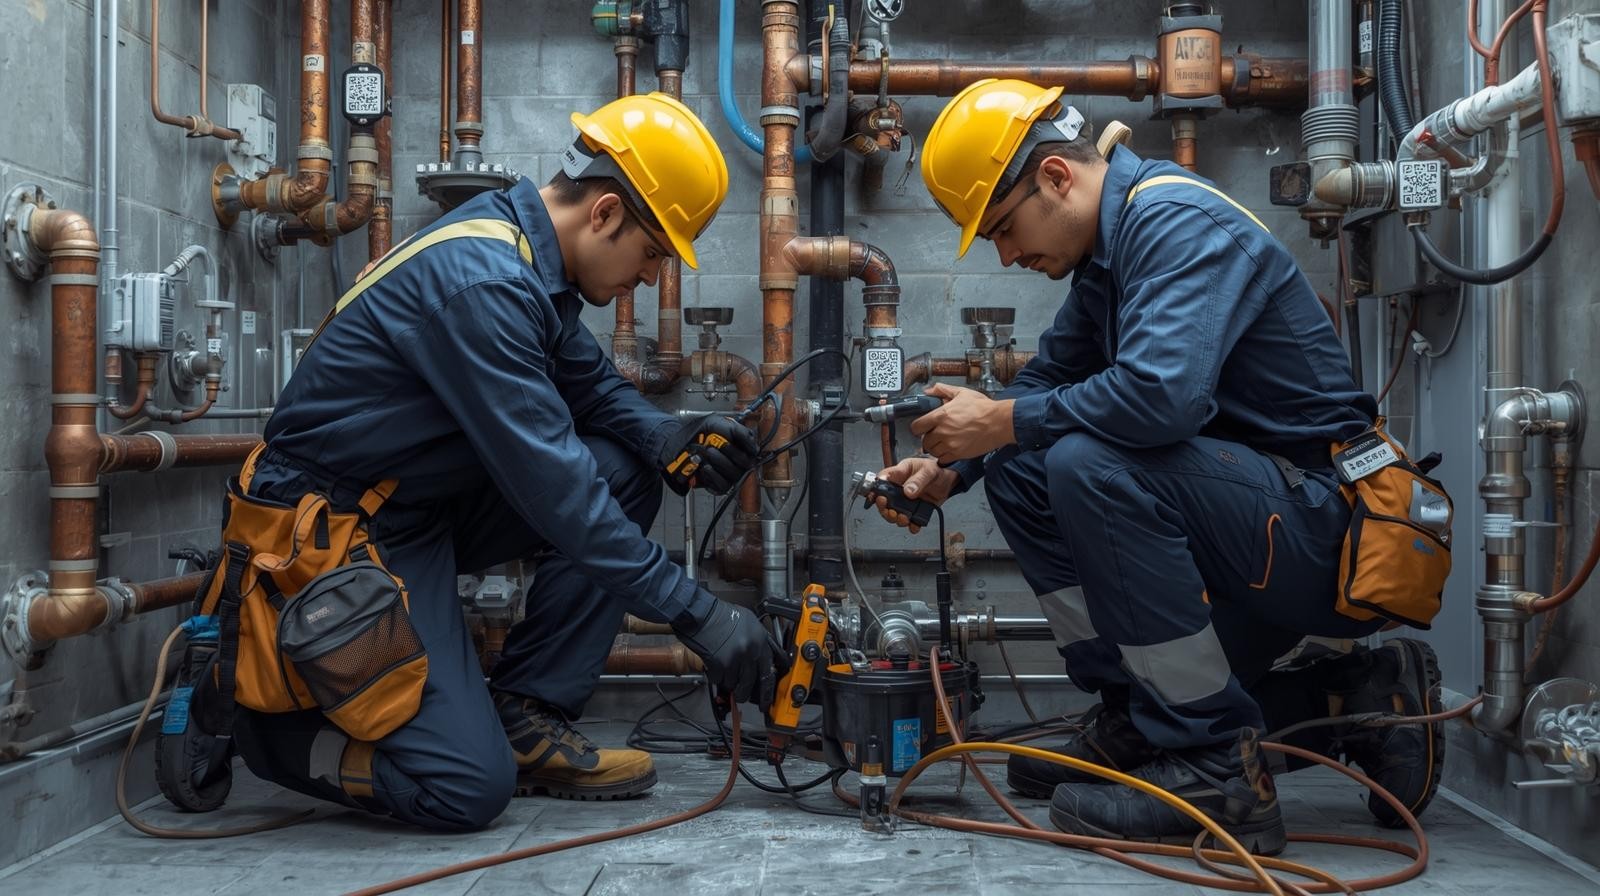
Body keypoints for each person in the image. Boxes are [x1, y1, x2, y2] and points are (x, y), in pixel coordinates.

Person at [874, 79, 1444, 854]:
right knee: (1021, 463)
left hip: (1331, 532)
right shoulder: (1110, 257)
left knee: (1085, 461)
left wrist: (999, 422)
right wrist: (955, 467)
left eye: (1004, 227)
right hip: (1258, 522)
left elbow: (1161, 400)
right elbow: (1044, 384)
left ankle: (1216, 770)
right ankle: (1150, 717)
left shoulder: (1176, 222)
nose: (1006, 255)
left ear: (1055, 178)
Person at [220, 93, 779, 831]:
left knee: (626, 465)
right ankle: (256, 728)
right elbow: (561, 497)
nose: (650, 278)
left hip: (414, 509)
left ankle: (526, 713)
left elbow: (591, 385)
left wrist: (664, 437)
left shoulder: (523, 254)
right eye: (652, 254)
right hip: (334, 530)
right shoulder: (485, 283)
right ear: (605, 213)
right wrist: (698, 614)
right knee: (463, 789)